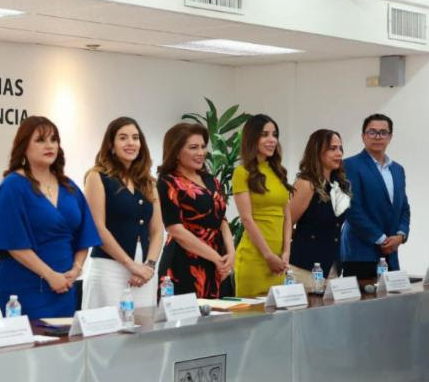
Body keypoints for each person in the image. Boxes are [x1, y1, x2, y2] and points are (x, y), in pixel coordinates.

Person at [0, 116, 101, 318]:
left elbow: (85, 236)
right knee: (34, 338)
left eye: (54, 140)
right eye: (41, 140)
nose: (49, 145)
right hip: (23, 287)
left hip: (64, 286)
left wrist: (77, 268)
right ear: (24, 146)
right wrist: (50, 275)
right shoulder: (12, 187)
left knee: (63, 338)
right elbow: (14, 244)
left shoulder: (69, 187)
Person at [83, 117, 163, 310]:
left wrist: (149, 266)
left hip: (145, 272)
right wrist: (131, 266)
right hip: (109, 269)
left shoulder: (148, 182)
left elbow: (157, 230)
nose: (131, 143)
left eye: (135, 138)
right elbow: (98, 228)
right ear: (111, 145)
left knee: (144, 326)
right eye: (123, 138)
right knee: (108, 327)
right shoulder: (97, 176)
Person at [155, 122, 234, 298]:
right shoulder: (167, 182)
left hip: (219, 263)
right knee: (188, 315)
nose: (201, 153)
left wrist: (230, 252)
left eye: (203, 147)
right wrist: (215, 257)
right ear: (176, 151)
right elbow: (176, 230)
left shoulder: (211, 180)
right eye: (193, 147)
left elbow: (221, 219)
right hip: (184, 263)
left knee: (223, 314)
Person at [341, 113, 411, 278]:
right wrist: (381, 239)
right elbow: (352, 209)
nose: (378, 137)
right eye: (372, 132)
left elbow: (404, 208)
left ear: (390, 137)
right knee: (362, 295)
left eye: (383, 132)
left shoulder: (397, 169)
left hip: (391, 254)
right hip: (360, 253)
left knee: (392, 295)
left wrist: (400, 236)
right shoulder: (349, 165)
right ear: (363, 136)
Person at [232, 114, 293, 297]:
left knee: (278, 312)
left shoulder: (278, 171)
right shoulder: (241, 172)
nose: (272, 140)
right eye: (265, 134)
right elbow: (246, 218)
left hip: (279, 259)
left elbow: (287, 217)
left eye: (274, 135)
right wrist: (268, 255)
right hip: (255, 257)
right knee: (252, 312)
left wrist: (286, 252)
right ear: (252, 138)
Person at [287, 129, 351, 284]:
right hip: (305, 267)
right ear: (317, 152)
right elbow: (285, 225)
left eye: (340, 148)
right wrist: (304, 236)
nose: (339, 153)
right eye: (332, 148)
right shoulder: (306, 184)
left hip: (332, 267)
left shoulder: (339, 185)